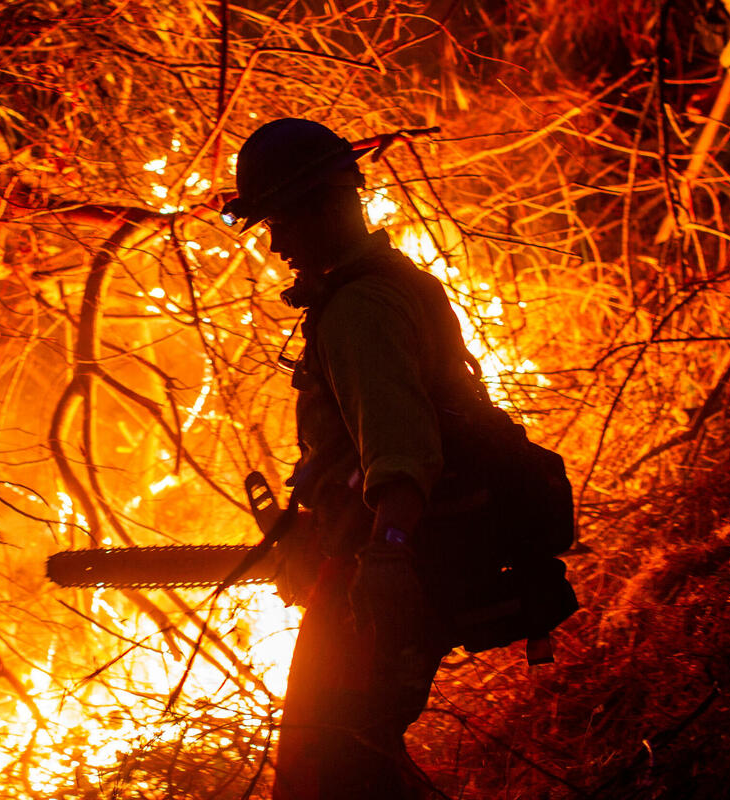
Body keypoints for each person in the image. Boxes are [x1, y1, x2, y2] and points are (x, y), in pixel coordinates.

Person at [221, 118, 490, 799]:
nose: (275, 244)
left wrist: (387, 553)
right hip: (392, 559)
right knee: (358, 769)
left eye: (279, 221)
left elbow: (400, 452)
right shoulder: (392, 284)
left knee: (331, 770)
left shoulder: (360, 310)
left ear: (323, 205)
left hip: (388, 573)